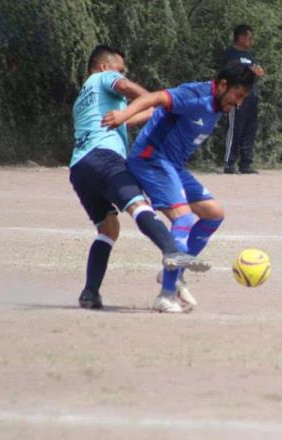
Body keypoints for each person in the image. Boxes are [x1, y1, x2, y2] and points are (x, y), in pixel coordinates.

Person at [102, 61, 257, 313]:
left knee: (214, 214)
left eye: (243, 98)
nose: (238, 103)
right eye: (237, 96)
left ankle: (172, 275)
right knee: (183, 219)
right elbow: (155, 99)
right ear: (224, 85)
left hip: (173, 166)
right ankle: (165, 296)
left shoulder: (220, 103)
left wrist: (128, 122)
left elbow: (159, 114)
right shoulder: (195, 94)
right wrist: (122, 115)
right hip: (151, 161)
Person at [69, 45, 202, 310]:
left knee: (108, 229)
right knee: (138, 204)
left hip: (79, 167)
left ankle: (89, 292)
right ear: (105, 67)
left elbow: (137, 114)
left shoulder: (83, 98)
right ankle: (170, 249)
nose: (123, 74)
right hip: (105, 158)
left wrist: (150, 111)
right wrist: (157, 98)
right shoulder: (103, 77)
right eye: (120, 70)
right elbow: (130, 90)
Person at [222, 24, 265, 174]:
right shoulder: (230, 54)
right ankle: (229, 163)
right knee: (235, 128)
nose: (250, 40)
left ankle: (246, 164)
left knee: (249, 129)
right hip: (237, 96)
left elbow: (255, 72)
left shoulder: (250, 56)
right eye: (249, 37)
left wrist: (258, 72)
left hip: (252, 95)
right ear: (240, 37)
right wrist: (248, 70)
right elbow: (230, 72)